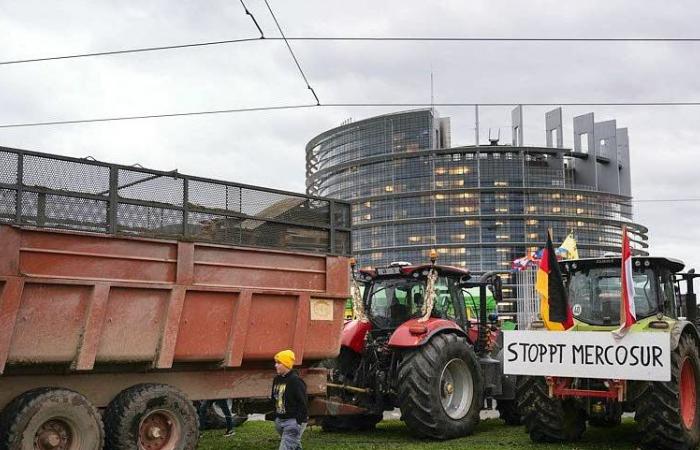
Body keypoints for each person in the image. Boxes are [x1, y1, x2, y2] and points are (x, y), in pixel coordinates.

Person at [271, 349, 308, 450]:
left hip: (292, 422)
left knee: (286, 447)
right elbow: (273, 398)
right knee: (294, 445)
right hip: (280, 420)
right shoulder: (276, 379)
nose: (275, 365)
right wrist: (276, 417)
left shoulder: (296, 381)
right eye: (276, 362)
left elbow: (303, 404)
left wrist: (297, 422)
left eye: (278, 363)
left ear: (286, 364)